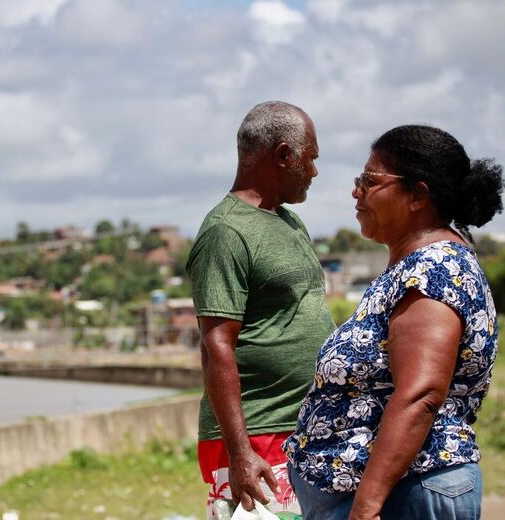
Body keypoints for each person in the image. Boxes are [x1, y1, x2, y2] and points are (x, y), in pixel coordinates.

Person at [283, 124, 505, 520]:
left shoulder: (434, 271)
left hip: (407, 494)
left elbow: (420, 395)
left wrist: (366, 506)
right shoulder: (412, 270)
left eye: (370, 181)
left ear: (417, 196)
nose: (357, 191)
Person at [186, 101, 336, 518]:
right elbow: (216, 347)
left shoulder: (288, 222)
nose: (314, 172)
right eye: (311, 159)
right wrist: (240, 453)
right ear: (284, 155)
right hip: (256, 433)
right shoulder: (225, 232)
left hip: (302, 425)